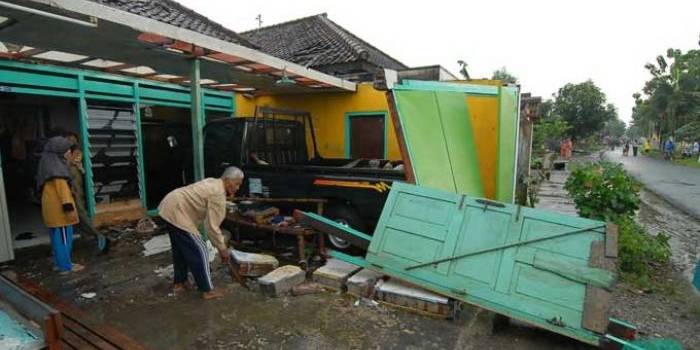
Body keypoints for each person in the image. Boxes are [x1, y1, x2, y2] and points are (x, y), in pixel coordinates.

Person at [158, 166, 244, 300]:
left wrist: (220, 247)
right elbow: (212, 227)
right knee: (201, 249)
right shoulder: (218, 194)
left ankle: (179, 283)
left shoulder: (214, 182)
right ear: (227, 180)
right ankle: (207, 290)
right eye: (237, 184)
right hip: (178, 211)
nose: (237, 188)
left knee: (181, 250)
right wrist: (222, 249)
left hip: (170, 205)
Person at [36, 136, 84, 273]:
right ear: (59, 153)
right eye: (68, 152)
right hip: (60, 213)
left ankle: (59, 263)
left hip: (52, 211)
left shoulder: (48, 166)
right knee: (64, 240)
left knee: (56, 240)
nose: (70, 154)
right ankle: (66, 266)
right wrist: (69, 211)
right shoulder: (58, 172)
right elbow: (63, 194)